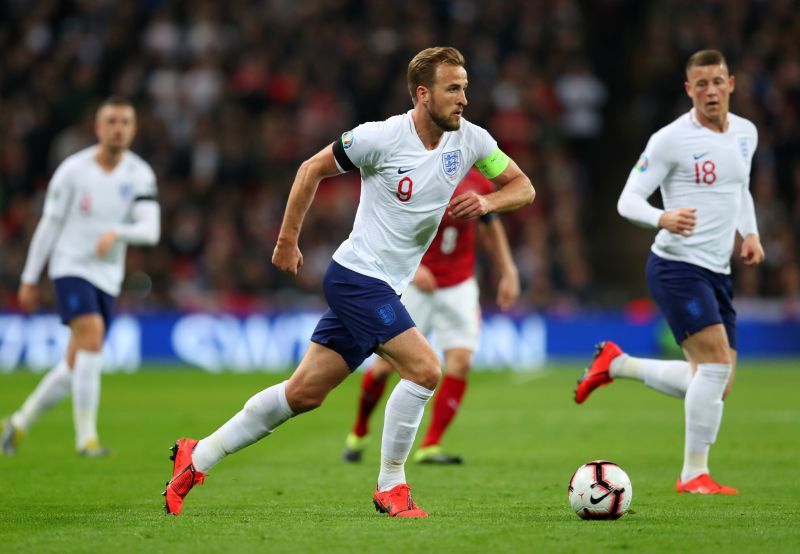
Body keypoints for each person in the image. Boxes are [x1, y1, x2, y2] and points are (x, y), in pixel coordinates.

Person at [163, 46, 535, 518]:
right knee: (425, 370)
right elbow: (310, 169)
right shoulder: (379, 137)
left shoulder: (473, 141)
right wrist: (287, 242)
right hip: (357, 277)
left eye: (465, 88)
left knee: (303, 394)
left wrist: (487, 204)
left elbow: (523, 187)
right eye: (453, 89)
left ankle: (196, 457)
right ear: (423, 94)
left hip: (385, 285)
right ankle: (391, 487)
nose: (464, 99)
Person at [575, 50, 764, 495]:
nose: (711, 91)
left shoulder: (745, 133)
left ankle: (615, 363)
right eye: (701, 84)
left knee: (718, 384)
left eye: (718, 82)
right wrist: (663, 217)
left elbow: (741, 189)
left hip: (717, 271)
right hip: (677, 266)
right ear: (689, 90)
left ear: (731, 83)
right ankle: (693, 474)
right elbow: (627, 200)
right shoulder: (670, 139)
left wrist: (750, 234)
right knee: (715, 366)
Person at [1, 97, 160, 457]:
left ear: (133, 130)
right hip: (70, 265)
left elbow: (150, 231)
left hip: (108, 275)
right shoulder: (73, 171)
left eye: (125, 122)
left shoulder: (140, 174)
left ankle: (19, 421)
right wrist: (29, 278)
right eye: (111, 121)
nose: (118, 128)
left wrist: (118, 233)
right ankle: (86, 439)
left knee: (77, 361)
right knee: (92, 336)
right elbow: (50, 224)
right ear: (98, 128)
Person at [342, 168, 520, 465]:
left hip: (459, 285)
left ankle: (431, 445)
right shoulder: (416, 177)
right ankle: (360, 430)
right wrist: (414, 268)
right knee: (386, 366)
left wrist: (508, 270)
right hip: (415, 284)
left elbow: (490, 225)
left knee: (460, 362)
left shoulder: (476, 182)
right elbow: (387, 226)